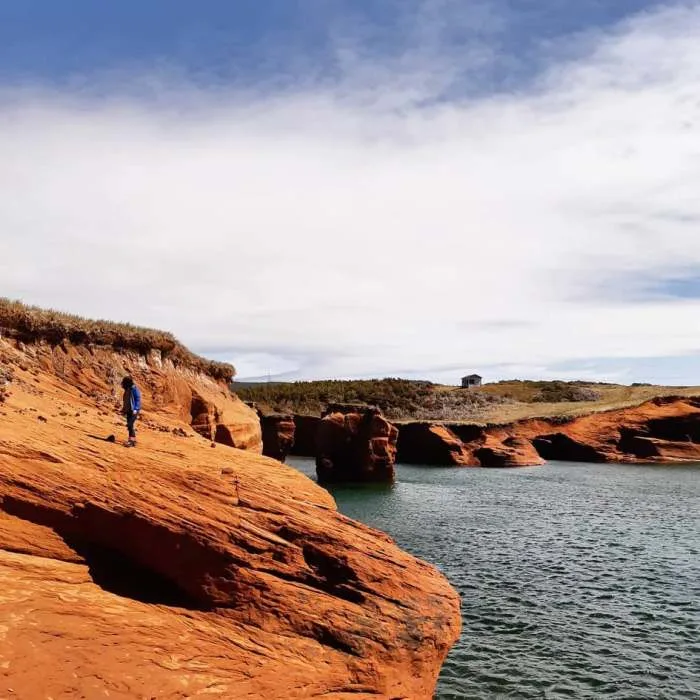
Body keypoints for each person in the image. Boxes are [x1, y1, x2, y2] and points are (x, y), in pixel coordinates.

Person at [121, 376, 142, 447]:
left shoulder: (134, 389)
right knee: (130, 425)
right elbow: (125, 401)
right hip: (129, 410)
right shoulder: (127, 389)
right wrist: (124, 409)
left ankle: (131, 441)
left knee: (130, 424)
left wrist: (136, 409)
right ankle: (133, 440)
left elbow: (137, 399)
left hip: (134, 410)